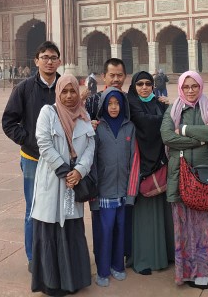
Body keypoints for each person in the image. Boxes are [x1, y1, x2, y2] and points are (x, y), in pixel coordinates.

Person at [161, 70, 208, 289]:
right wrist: (198, 141)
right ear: (180, 88)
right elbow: (167, 137)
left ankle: (206, 271)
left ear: (200, 86)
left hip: (206, 177)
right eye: (186, 87)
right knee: (185, 226)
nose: (191, 90)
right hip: (180, 175)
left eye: (194, 86)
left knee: (207, 225)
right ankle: (187, 271)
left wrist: (183, 129)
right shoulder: (173, 110)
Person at [30, 74, 95, 296]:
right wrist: (65, 170)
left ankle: (72, 280)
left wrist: (79, 171)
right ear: (58, 93)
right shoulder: (48, 113)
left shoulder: (84, 116)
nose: (68, 96)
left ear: (78, 93)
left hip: (73, 182)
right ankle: (51, 282)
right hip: (53, 179)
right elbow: (43, 143)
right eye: (64, 91)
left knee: (71, 227)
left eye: (73, 91)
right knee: (50, 228)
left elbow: (90, 148)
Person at [2, 41, 62, 272]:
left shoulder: (65, 87)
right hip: (33, 159)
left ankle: (57, 253)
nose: (49, 61)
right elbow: (8, 122)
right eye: (44, 57)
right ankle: (33, 257)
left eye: (53, 57)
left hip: (61, 160)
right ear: (36, 61)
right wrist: (31, 140)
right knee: (33, 209)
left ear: (59, 61)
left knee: (59, 209)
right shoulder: (24, 88)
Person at [126, 71, 174, 276]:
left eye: (148, 84)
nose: (145, 87)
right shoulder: (131, 104)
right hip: (141, 166)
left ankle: (166, 254)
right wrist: (165, 114)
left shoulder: (158, 103)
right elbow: (145, 123)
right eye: (140, 84)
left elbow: (168, 124)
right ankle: (144, 258)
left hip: (160, 164)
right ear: (134, 87)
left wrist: (167, 108)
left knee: (164, 213)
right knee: (143, 217)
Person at [90, 87, 138, 287]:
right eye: (109, 103)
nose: (113, 107)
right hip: (104, 190)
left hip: (123, 190)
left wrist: (131, 192)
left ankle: (117, 265)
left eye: (117, 103)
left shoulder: (129, 128)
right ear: (103, 105)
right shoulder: (97, 128)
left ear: (123, 105)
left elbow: (135, 159)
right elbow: (91, 161)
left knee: (120, 229)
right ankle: (102, 269)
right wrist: (93, 195)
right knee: (105, 230)